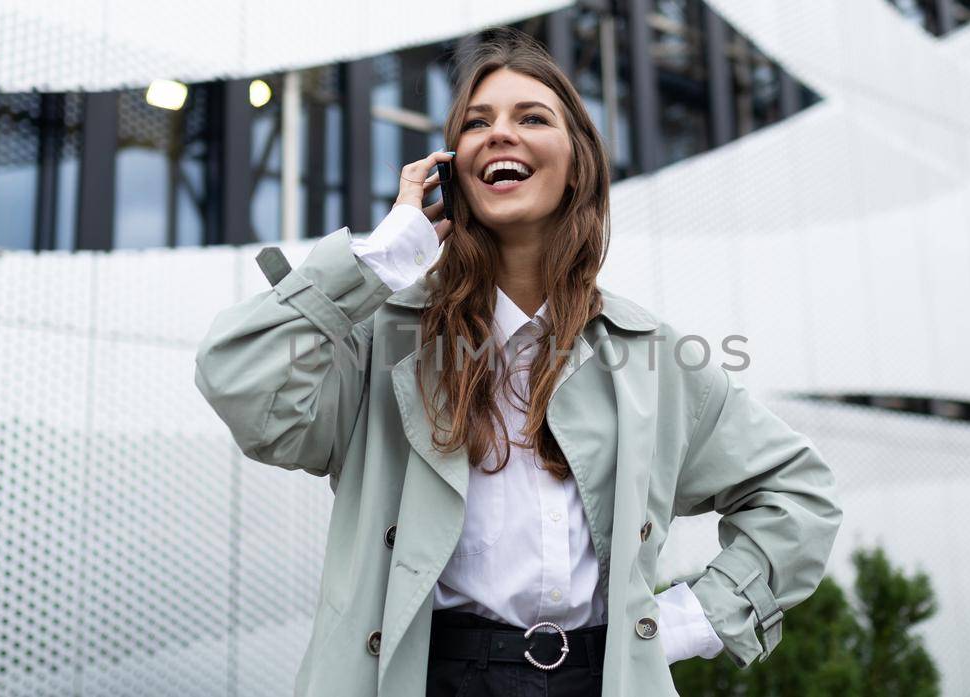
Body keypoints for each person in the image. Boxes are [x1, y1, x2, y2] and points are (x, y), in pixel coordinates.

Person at [194, 26, 842, 697]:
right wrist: (377, 262)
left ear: (577, 163)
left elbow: (800, 493)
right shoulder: (381, 342)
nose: (500, 133)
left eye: (531, 117)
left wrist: (683, 622)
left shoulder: (651, 359)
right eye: (477, 123)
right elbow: (239, 376)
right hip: (426, 676)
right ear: (452, 168)